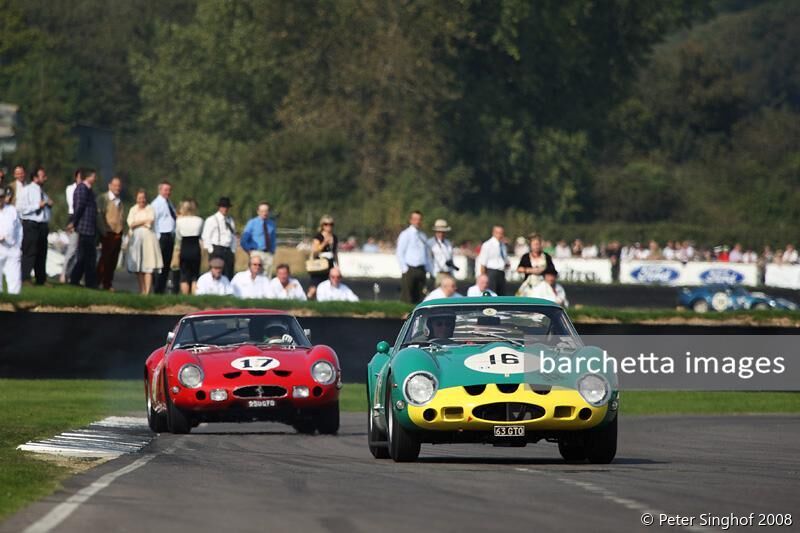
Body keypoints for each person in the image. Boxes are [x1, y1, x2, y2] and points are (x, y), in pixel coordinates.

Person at [18, 167, 52, 285]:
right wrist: (38, 205)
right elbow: (21, 209)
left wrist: (48, 205)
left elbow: (45, 208)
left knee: (42, 253)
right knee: (30, 251)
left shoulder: (43, 193)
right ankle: (25, 277)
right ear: (35, 178)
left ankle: (41, 279)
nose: (45, 178)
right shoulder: (27, 190)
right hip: (31, 224)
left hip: (42, 225)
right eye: (43, 176)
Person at [126, 189, 163, 295]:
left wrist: (138, 223)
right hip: (136, 239)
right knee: (138, 266)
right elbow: (130, 223)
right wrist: (142, 222)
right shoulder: (133, 209)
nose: (141, 200)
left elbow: (150, 222)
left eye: (143, 198)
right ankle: (142, 290)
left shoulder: (150, 208)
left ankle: (147, 291)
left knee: (148, 265)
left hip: (148, 239)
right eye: (139, 198)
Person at [68, 168, 98, 288]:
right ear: (88, 177)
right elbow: (79, 207)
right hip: (84, 227)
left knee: (88, 257)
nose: (95, 179)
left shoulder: (89, 190)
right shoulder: (81, 189)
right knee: (85, 257)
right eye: (93, 176)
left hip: (90, 228)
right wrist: (74, 222)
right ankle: (80, 280)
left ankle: (80, 280)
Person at [96, 176, 125, 290]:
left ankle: (107, 283)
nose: (117, 188)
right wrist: (103, 232)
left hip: (118, 234)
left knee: (113, 261)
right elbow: (99, 216)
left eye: (119, 186)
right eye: (115, 185)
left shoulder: (120, 201)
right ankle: (97, 281)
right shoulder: (103, 198)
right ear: (110, 186)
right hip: (107, 233)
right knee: (104, 259)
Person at [396, 210, 431, 303]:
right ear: (411, 220)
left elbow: (426, 254)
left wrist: (427, 268)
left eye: (419, 219)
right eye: (415, 219)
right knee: (407, 296)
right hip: (410, 268)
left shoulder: (423, 235)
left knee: (419, 296)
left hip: (421, 268)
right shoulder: (406, 234)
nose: (417, 222)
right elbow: (400, 252)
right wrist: (404, 268)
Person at [150, 181, 177, 294]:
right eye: (166, 190)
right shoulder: (156, 204)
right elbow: (154, 221)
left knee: (166, 265)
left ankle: (161, 289)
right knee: (159, 265)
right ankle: (157, 289)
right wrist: (157, 237)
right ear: (160, 190)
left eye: (169, 190)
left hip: (170, 236)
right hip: (162, 236)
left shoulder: (169, 203)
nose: (168, 192)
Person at [173, 199, 204, 295]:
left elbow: (178, 236)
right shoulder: (199, 220)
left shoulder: (179, 221)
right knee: (195, 275)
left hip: (185, 247)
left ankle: (185, 296)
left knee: (184, 275)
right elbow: (201, 234)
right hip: (195, 248)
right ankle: (194, 295)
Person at [202, 197, 237, 280]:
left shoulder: (230, 220)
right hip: (217, 249)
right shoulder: (211, 219)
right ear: (219, 207)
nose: (225, 209)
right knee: (216, 273)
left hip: (228, 250)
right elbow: (206, 236)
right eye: (223, 206)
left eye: (227, 207)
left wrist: (233, 250)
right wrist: (211, 249)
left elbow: (233, 236)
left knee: (228, 272)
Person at [240, 201, 277, 278]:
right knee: (255, 275)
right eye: (262, 211)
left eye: (266, 211)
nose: (264, 213)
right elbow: (244, 240)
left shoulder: (272, 224)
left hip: (268, 254)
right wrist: (250, 251)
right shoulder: (252, 223)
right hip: (256, 252)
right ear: (258, 212)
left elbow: (273, 239)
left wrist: (272, 251)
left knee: (267, 276)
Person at [307, 214, 338, 299]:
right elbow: (315, 251)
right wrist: (324, 243)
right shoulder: (318, 237)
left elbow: (335, 253)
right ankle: (308, 300)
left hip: (330, 264)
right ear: (322, 225)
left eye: (331, 224)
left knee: (330, 285)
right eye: (326, 224)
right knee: (315, 286)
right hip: (320, 264)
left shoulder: (334, 237)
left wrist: (337, 266)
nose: (329, 226)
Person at [61, 168, 82, 282]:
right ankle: (64, 274)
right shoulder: (71, 188)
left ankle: (71, 274)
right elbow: (72, 204)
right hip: (73, 216)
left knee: (79, 250)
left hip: (81, 219)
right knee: (72, 248)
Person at [0, 187, 22, 294]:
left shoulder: (12, 210)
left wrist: (18, 246)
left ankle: (15, 300)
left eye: (1, 197)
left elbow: (19, 230)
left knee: (14, 278)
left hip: (12, 248)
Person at [477, 225, 509, 295]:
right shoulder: (488, 245)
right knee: (492, 293)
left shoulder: (503, 245)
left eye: (502, 233)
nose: (501, 235)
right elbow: (483, 263)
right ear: (494, 233)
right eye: (499, 233)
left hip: (501, 272)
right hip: (491, 272)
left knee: (501, 294)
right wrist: (483, 277)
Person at [427, 219, 456, 284]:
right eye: (439, 232)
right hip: (437, 274)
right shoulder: (430, 243)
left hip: (448, 273)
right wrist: (433, 274)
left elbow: (450, 259)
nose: (441, 234)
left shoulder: (448, 243)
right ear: (435, 232)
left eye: (443, 232)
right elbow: (428, 260)